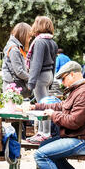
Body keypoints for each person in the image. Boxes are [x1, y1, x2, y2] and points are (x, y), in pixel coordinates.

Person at [29, 61, 85, 169]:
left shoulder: (83, 92)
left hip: (80, 139)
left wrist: (54, 115)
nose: (62, 82)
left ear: (73, 74)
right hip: (74, 136)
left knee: (41, 154)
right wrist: (35, 106)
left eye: (63, 78)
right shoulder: (77, 90)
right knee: (46, 145)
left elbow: (74, 121)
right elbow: (60, 106)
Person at [26, 16, 58, 144]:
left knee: (41, 107)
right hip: (49, 75)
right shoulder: (52, 42)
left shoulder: (39, 42)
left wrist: (31, 82)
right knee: (45, 104)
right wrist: (52, 79)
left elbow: (36, 64)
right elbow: (54, 63)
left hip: (40, 77)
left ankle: (45, 133)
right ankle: (42, 132)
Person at [2, 22, 31, 97]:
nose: (30, 39)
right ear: (23, 35)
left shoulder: (16, 47)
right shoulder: (14, 49)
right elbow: (19, 71)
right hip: (13, 86)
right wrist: (31, 78)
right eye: (29, 36)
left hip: (13, 84)